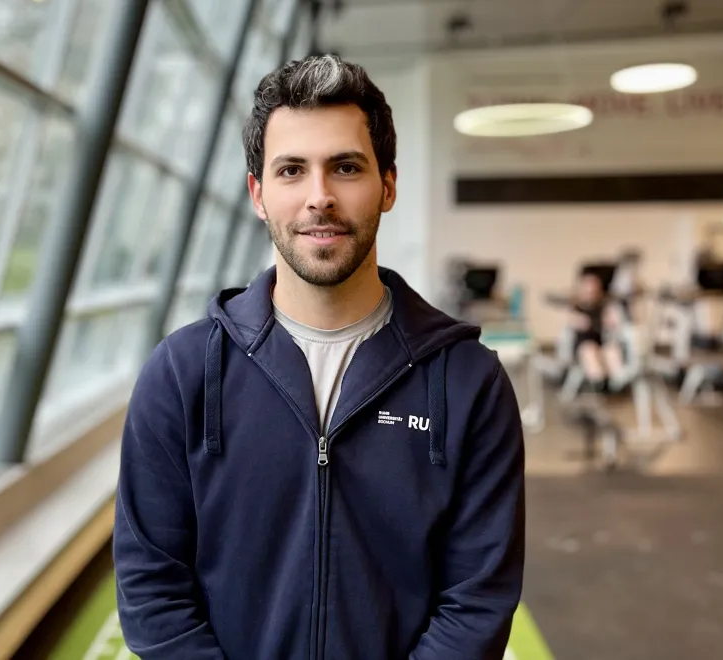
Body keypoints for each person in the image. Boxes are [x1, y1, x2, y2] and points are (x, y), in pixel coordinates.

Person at [113, 53, 525, 660]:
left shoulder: (469, 383)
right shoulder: (181, 376)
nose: (319, 197)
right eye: (291, 171)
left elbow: (477, 600)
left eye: (346, 167)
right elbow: (153, 592)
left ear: (387, 184)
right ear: (257, 194)